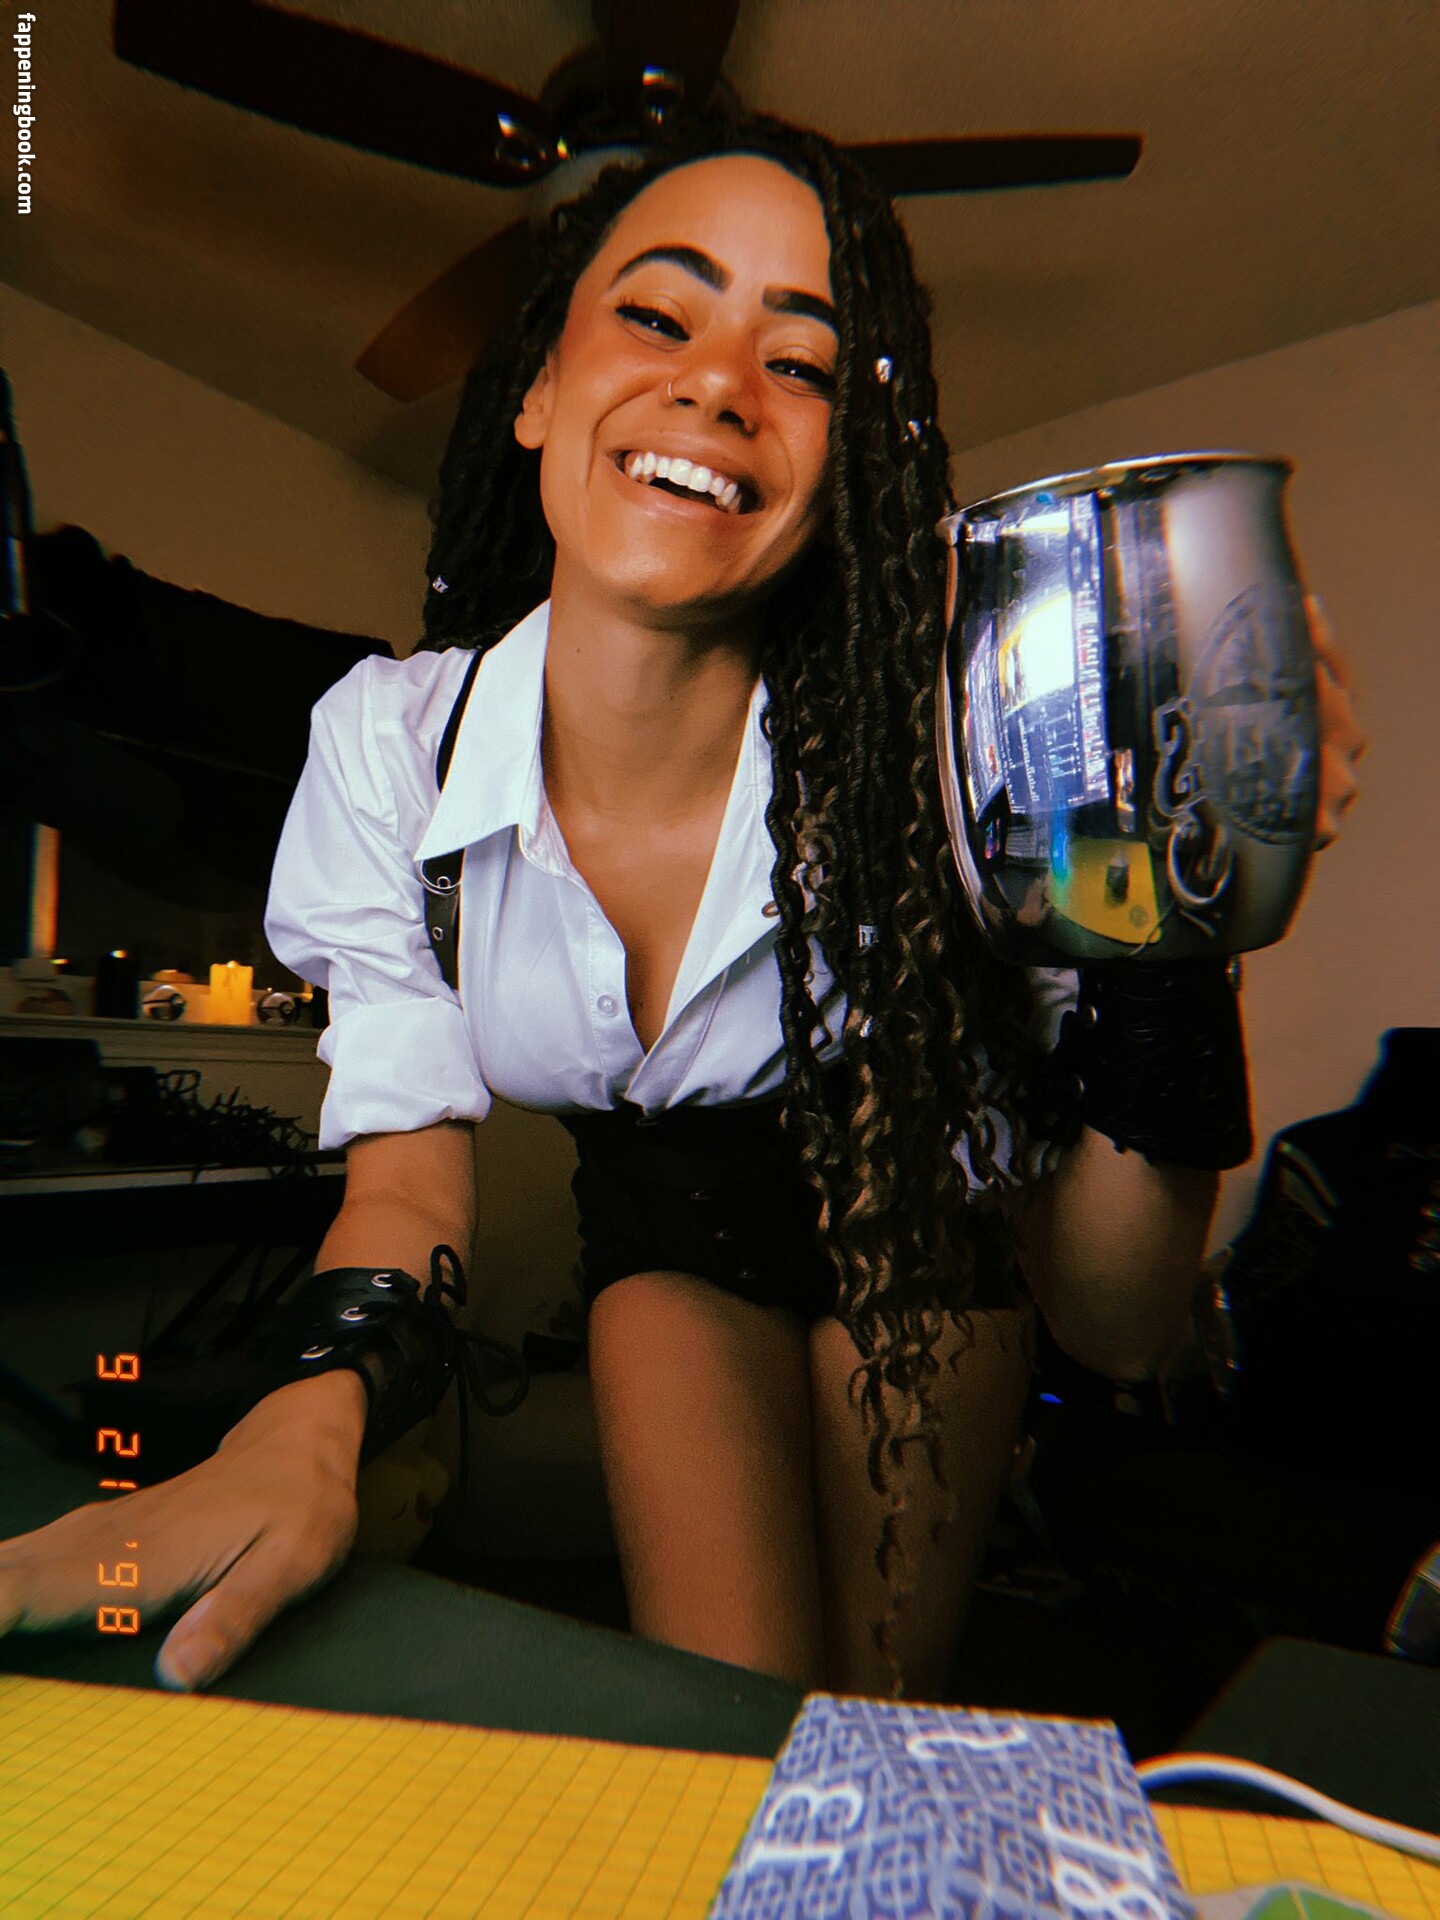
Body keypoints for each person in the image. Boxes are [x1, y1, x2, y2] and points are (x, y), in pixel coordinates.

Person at [0, 114, 1362, 1702]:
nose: (718, 385)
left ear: (841, 471)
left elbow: (1120, 1323)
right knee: (721, 1719)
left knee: (867, 1719)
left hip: (918, 1235)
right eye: (659, 314)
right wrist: (303, 1427)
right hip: (669, 1237)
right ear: (537, 391)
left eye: (803, 363)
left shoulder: (961, 752)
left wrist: (1186, 925)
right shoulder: (389, 755)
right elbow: (406, 1189)